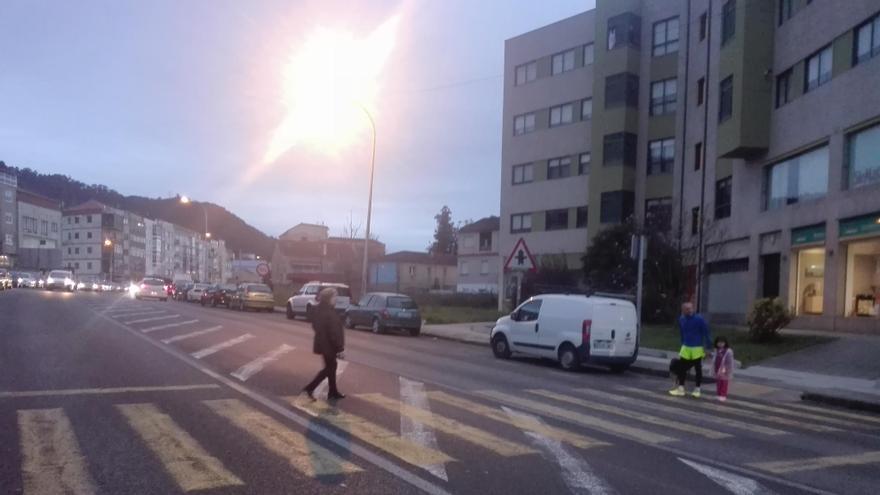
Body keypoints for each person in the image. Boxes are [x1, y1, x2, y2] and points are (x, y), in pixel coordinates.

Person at [302, 287, 346, 401]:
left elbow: (316, 326)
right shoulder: (328, 312)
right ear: (329, 298)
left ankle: (332, 392)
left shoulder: (320, 310)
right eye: (335, 297)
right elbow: (333, 332)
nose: (336, 299)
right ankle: (310, 388)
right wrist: (340, 348)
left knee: (331, 367)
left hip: (323, 344)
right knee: (329, 368)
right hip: (329, 346)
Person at [669, 302, 711, 398]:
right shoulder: (682, 319)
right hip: (686, 347)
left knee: (697, 368)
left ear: (693, 309)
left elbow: (706, 332)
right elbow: (682, 332)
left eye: (690, 308)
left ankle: (697, 389)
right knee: (682, 368)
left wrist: (708, 345)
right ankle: (681, 388)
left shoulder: (699, 319)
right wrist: (682, 342)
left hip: (696, 347)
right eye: (686, 309)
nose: (689, 310)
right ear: (683, 310)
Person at [713, 336, 734, 402]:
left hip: (725, 369)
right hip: (717, 368)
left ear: (725, 343)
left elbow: (730, 361)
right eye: (719, 343)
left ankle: (723, 395)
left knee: (724, 382)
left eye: (722, 343)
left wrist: (728, 369)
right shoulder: (717, 350)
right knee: (718, 382)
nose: (720, 344)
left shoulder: (728, 351)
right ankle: (719, 394)